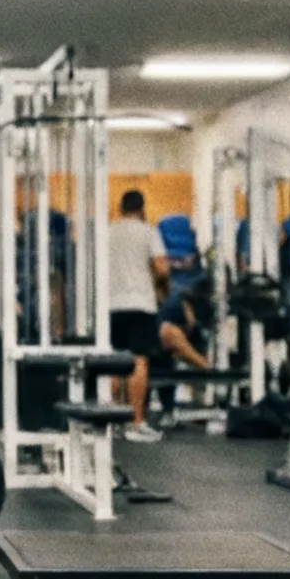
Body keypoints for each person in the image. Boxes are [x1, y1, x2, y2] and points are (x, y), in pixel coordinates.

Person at [109, 189, 169, 443]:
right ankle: (135, 422)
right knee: (138, 361)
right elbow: (161, 268)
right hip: (139, 303)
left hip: (111, 304)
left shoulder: (108, 231)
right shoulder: (148, 231)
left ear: (120, 207)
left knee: (113, 363)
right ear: (142, 208)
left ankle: (112, 421)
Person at [152, 284, 214, 425]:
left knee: (172, 363)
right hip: (152, 345)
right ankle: (159, 411)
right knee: (163, 362)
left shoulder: (197, 322)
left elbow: (198, 352)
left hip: (168, 350)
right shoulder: (171, 306)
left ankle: (171, 410)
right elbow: (168, 336)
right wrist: (203, 365)